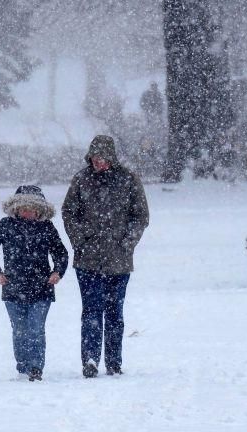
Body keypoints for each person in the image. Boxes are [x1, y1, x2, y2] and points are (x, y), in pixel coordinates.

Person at [62, 135, 149, 378]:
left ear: (111, 157)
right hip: (87, 260)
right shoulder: (81, 179)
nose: (98, 162)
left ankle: (114, 362)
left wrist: (127, 243)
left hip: (119, 262)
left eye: (102, 158)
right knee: (91, 312)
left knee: (114, 314)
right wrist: (80, 240)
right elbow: (69, 213)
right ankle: (90, 360)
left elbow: (140, 216)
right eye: (94, 158)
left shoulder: (129, 179)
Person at [0, 185, 69, 382]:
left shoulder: (47, 228)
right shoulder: (5, 226)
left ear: (40, 210)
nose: (28, 212)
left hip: (42, 288)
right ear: (16, 208)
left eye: (33, 208)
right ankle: (22, 366)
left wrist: (57, 272)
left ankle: (36, 368)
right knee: (19, 331)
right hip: (13, 288)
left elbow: (61, 253)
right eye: (24, 208)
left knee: (36, 329)